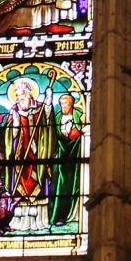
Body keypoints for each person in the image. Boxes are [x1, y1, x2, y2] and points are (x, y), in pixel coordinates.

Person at [4, 79, 56, 232]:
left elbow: (48, 123)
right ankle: (20, 221)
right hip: (21, 157)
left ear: (29, 95)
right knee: (20, 186)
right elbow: (9, 137)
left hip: (38, 153)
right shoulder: (14, 110)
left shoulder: (40, 108)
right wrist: (15, 125)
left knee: (39, 181)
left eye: (21, 95)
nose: (19, 99)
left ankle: (40, 221)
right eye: (17, 96)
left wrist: (48, 102)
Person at [48, 92, 83, 226]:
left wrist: (75, 131)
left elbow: (82, 130)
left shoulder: (79, 115)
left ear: (72, 103)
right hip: (62, 156)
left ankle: (74, 214)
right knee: (61, 185)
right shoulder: (57, 118)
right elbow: (53, 135)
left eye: (66, 103)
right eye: (61, 104)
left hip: (77, 154)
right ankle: (59, 216)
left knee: (76, 183)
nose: (64, 106)